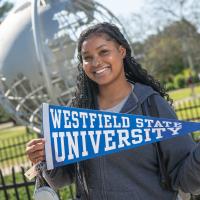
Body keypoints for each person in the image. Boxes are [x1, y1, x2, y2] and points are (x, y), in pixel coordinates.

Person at [26, 22, 200, 200]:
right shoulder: (78, 112)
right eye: (87, 57)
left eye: (104, 52)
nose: (96, 62)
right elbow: (62, 177)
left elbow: (185, 179)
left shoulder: (152, 106)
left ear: (121, 51)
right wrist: (44, 158)